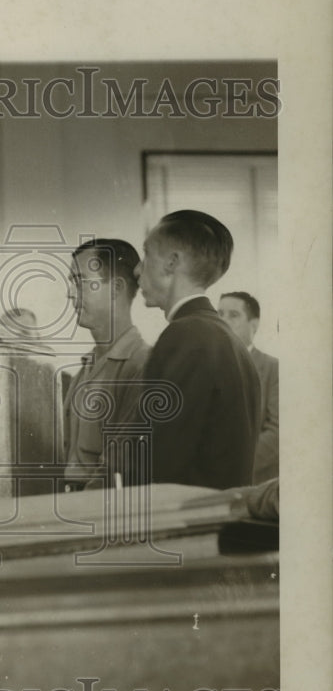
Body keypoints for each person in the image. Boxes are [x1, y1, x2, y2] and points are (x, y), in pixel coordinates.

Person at [134, 210, 260, 490]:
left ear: (172, 262)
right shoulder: (226, 337)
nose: (137, 270)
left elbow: (159, 462)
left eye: (146, 255)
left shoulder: (185, 335)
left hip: (188, 523)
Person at [63, 238, 150, 490]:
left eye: (79, 281)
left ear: (116, 288)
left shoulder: (141, 364)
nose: (69, 292)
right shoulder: (86, 366)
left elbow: (120, 467)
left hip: (98, 513)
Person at [218, 291, 279, 482]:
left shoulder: (273, 368)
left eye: (233, 315)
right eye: (219, 314)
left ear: (254, 325)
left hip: (253, 484)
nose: (223, 321)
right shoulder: (206, 365)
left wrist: (232, 466)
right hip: (205, 484)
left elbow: (277, 432)